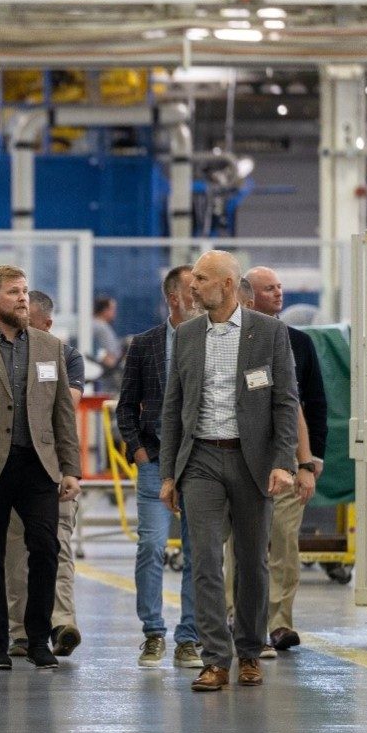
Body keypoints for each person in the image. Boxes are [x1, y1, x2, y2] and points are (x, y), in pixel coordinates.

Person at [160, 250, 298, 692]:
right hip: (200, 459)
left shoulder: (269, 333)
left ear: (225, 284)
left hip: (252, 460)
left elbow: (285, 403)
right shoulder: (186, 336)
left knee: (253, 563)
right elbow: (172, 408)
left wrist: (283, 462)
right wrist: (168, 474)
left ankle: (250, 652)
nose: (192, 286)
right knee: (203, 559)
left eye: (201, 279)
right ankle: (215, 659)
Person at [0, 265, 81, 672]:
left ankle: (38, 639)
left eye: (24, 291)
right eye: (13, 292)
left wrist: (71, 468)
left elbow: (62, 412)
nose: (23, 298)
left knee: (45, 548)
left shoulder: (49, 346)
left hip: (38, 466)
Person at [116, 265, 203, 669]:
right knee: (151, 545)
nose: (199, 294)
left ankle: (189, 637)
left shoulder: (212, 341)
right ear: (174, 298)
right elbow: (126, 406)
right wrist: (137, 450)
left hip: (202, 463)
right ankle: (153, 632)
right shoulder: (146, 345)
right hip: (155, 462)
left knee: (197, 551)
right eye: (193, 287)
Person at [245, 266, 326, 656]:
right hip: (241, 460)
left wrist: (310, 460)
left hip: (289, 459)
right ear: (248, 294)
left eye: (280, 287)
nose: (278, 293)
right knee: (241, 546)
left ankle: (279, 623)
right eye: (269, 288)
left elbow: (309, 404)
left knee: (284, 545)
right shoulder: (233, 341)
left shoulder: (298, 343)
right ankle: (238, 617)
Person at [4, 289, 86, 659]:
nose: (21, 321)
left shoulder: (66, 356)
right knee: (15, 552)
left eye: (28, 315)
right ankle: (20, 630)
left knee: (59, 546)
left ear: (47, 324)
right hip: (11, 468)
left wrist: (71, 469)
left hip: (52, 469)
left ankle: (61, 622)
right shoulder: (1, 351)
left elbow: (66, 406)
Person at [92, 295, 123, 390]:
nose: (115, 312)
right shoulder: (101, 327)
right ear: (105, 310)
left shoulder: (94, 325)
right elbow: (109, 354)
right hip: (106, 376)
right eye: (112, 309)